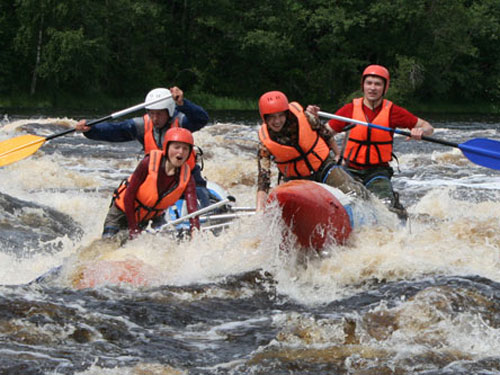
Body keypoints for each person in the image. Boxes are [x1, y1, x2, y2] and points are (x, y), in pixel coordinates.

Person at [323, 64, 434, 217]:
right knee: (343, 199)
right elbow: (325, 133)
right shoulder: (349, 110)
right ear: (363, 86)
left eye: (377, 84)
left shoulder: (394, 112)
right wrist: (336, 154)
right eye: (369, 83)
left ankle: (392, 212)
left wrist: (420, 131)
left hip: (378, 172)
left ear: (385, 87)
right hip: (349, 170)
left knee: (385, 207)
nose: (373, 88)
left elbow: (428, 127)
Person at [75, 86, 211, 207]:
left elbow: (202, 119)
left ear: (169, 111)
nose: (155, 118)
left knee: (200, 195)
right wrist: (91, 130)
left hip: (189, 177)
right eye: (151, 113)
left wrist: (182, 103)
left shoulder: (182, 122)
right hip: (157, 179)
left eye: (159, 114)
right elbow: (115, 130)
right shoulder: (141, 125)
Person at [256, 90, 370, 212]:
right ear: (265, 118)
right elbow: (264, 178)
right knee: (282, 204)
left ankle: (367, 210)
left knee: (353, 191)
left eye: (280, 115)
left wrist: (337, 155)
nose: (277, 121)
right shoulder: (264, 143)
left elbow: (325, 134)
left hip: (323, 167)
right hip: (295, 179)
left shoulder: (305, 117)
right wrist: (259, 210)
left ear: (286, 114)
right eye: (272, 117)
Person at [102, 127, 200, 239]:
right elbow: (129, 195)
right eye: (176, 147)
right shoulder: (148, 163)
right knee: (108, 244)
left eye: (185, 149)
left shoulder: (188, 177)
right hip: (122, 213)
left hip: (151, 217)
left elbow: (193, 209)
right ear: (167, 148)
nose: (181, 152)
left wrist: (195, 230)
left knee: (165, 241)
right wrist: (133, 228)